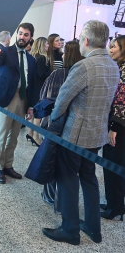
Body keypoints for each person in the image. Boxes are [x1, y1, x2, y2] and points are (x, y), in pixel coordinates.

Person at [42, 20, 119, 245]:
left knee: (67, 179)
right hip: (97, 134)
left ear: (85, 40)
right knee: (89, 178)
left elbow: (62, 102)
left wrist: (52, 120)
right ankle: (93, 228)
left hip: (74, 135)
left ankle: (70, 230)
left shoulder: (83, 66)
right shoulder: (113, 65)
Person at [0, 23, 36, 184]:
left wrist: (31, 106)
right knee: (2, 134)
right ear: (17, 35)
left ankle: (8, 165)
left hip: (23, 99)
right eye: (20, 33)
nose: (22, 37)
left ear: (30, 37)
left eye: (26, 34)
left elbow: (33, 83)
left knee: (14, 135)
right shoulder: (6, 52)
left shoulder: (31, 59)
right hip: (7, 98)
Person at [39, 41, 84, 206]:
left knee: (51, 159)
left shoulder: (58, 74)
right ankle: (62, 199)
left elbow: (44, 96)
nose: (62, 55)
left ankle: (50, 195)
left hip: (55, 124)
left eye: (65, 52)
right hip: (76, 127)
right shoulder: (82, 75)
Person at [100, 35, 125, 221]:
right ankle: (113, 203)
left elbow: (120, 101)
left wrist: (114, 127)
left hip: (118, 126)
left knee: (112, 165)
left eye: (114, 46)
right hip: (116, 123)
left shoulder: (123, 70)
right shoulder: (118, 67)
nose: (111, 49)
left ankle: (115, 207)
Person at [27, 37, 50, 146]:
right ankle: (36, 137)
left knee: (33, 111)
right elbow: (41, 74)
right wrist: (51, 73)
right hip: (39, 88)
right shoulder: (42, 58)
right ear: (42, 45)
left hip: (34, 87)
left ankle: (30, 133)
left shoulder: (33, 56)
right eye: (46, 44)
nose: (48, 46)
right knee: (38, 114)